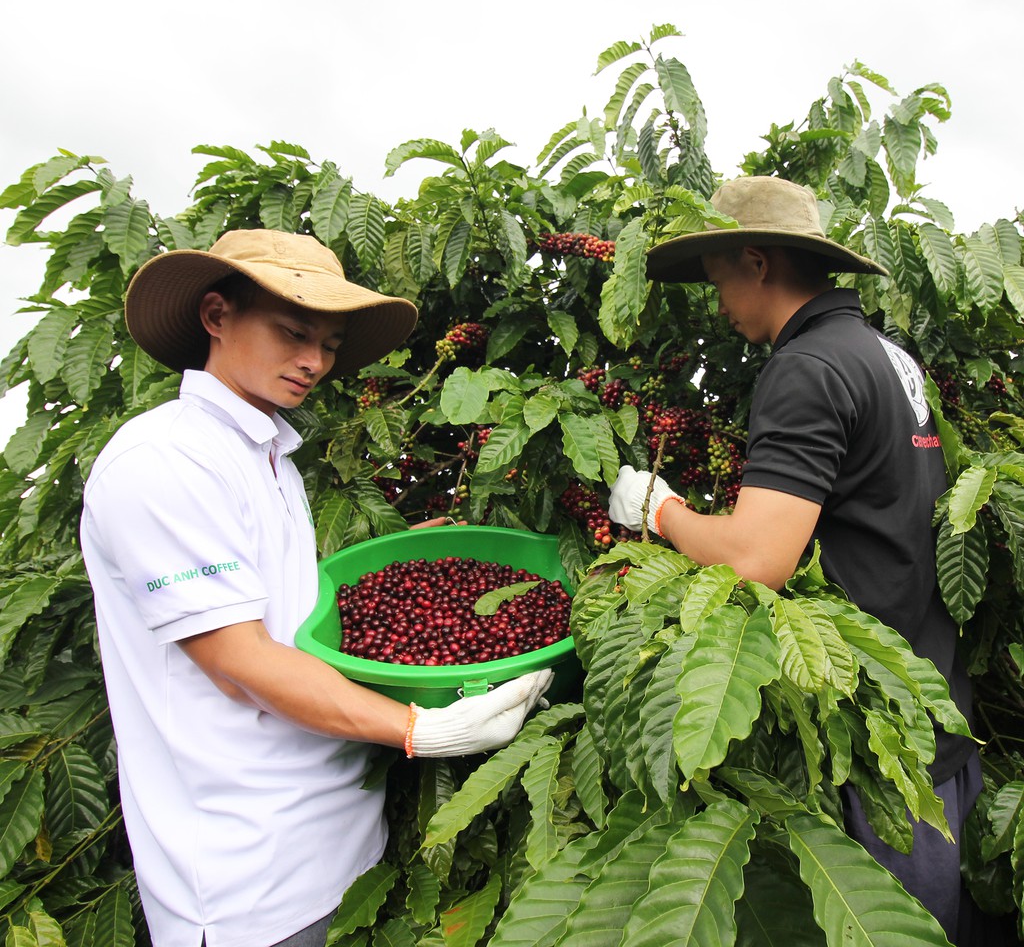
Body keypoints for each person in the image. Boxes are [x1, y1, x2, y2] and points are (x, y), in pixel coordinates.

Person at [80, 228, 551, 947]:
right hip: (250, 884)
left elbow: (281, 607)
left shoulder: (265, 452)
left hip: (339, 852)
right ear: (215, 315)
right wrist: (420, 729)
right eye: (294, 333)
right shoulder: (163, 462)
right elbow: (241, 662)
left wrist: (391, 563)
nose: (314, 362)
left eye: (329, 345)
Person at [608, 176, 980, 944]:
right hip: (935, 718)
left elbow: (754, 560)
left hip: (873, 752)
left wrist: (661, 510)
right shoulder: (887, 355)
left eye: (719, 282)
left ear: (756, 262)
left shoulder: (806, 368)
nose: (720, 304)